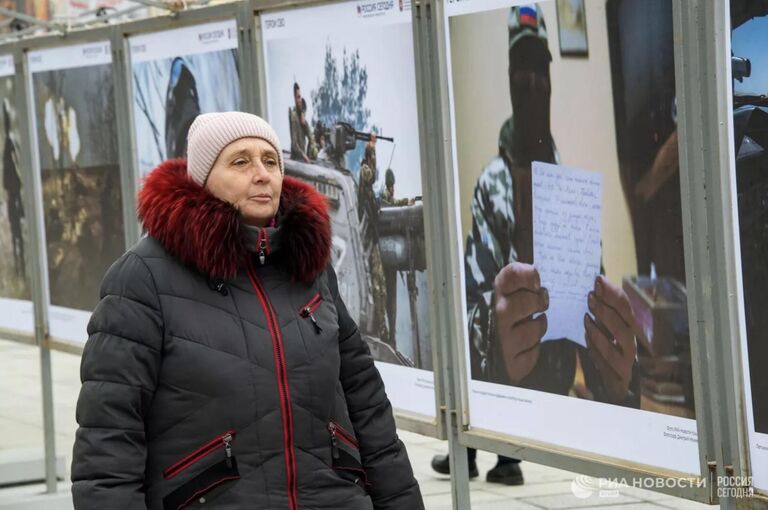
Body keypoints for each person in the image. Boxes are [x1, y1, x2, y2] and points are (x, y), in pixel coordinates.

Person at [71, 112, 424, 510]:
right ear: (202, 179)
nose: (262, 174)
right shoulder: (143, 278)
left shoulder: (308, 267)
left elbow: (367, 405)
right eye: (240, 161)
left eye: (270, 161)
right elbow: (108, 441)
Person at [433, 4, 640, 485]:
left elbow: (593, 290)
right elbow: (474, 298)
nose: (533, 83)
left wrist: (615, 378)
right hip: (505, 381)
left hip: (557, 379)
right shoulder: (493, 185)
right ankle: (486, 451)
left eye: (541, 69)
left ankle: (498, 452)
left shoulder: (567, 187)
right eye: (522, 70)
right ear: (510, 79)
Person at [358, 134, 389, 342]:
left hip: (371, 237)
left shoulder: (367, 183)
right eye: (370, 156)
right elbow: (372, 175)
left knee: (380, 285)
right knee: (376, 285)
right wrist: (372, 147)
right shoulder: (364, 171)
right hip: (366, 239)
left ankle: (381, 326)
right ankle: (378, 327)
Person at [2, 99, 24, 278]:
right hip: (12, 197)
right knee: (16, 233)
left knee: (19, 235)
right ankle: (19, 267)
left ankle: (21, 267)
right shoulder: (8, 146)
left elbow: (16, 170)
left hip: (15, 197)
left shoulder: (12, 144)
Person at [289, 83, 316, 163]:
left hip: (303, 158)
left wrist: (304, 123)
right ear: (294, 99)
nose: (300, 99)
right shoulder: (294, 117)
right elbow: (294, 144)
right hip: (297, 159)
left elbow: (311, 136)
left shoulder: (301, 115)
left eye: (300, 97)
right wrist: (304, 156)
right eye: (298, 97)